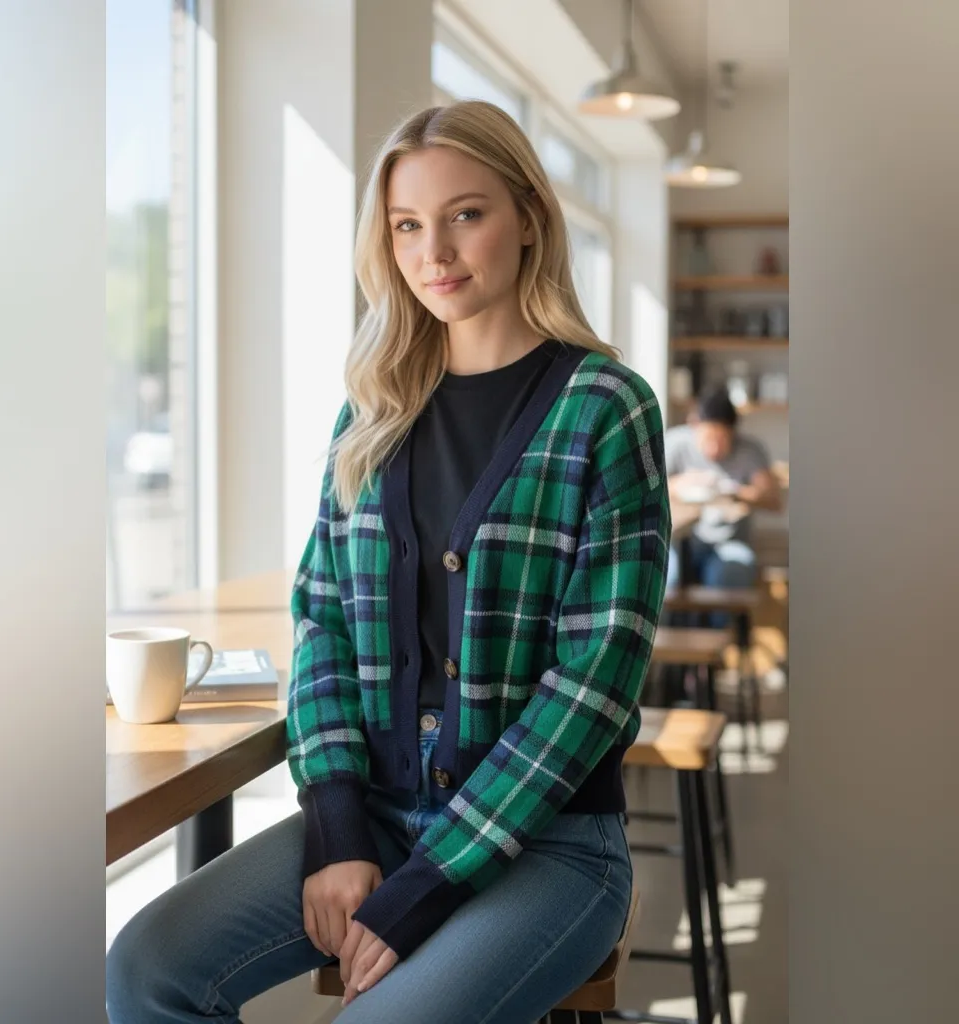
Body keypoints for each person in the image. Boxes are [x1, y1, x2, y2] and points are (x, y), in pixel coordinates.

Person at [106, 100, 671, 1023]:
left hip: (550, 842)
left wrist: (423, 887)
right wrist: (337, 829)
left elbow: (594, 684)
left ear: (529, 217)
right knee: (146, 969)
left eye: (465, 215)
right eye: (407, 225)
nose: (433, 252)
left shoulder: (606, 407)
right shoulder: (375, 407)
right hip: (378, 819)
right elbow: (322, 624)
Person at [665, 385, 782, 593]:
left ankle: (723, 616)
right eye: (709, 438)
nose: (714, 448)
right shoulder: (674, 443)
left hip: (728, 541)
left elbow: (773, 500)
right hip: (679, 539)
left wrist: (734, 492)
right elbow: (643, 492)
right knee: (666, 572)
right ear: (694, 424)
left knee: (732, 570)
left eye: (722, 439)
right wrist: (680, 483)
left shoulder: (749, 450)